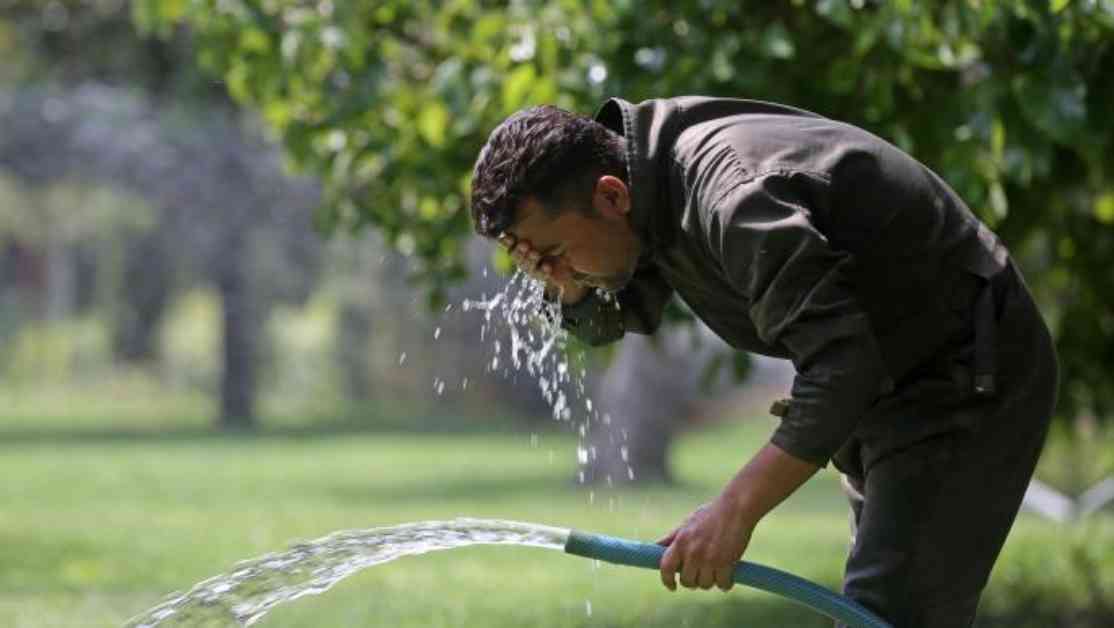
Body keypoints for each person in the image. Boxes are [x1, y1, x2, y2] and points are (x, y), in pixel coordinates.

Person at [468, 96, 1058, 627]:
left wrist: (733, 511)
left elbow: (843, 366)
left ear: (610, 196)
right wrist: (564, 276)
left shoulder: (733, 196)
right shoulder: (644, 188)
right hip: (890, 379)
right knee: (881, 609)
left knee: (888, 613)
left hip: (961, 367)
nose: (552, 275)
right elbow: (611, 314)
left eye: (556, 253)